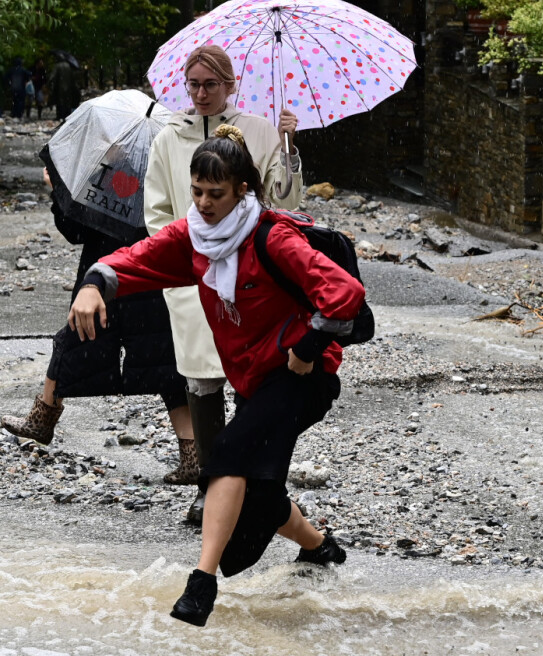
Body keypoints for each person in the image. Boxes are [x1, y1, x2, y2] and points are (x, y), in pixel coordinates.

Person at [69, 124, 361, 627]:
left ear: (242, 190)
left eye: (216, 194)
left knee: (226, 453)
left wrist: (308, 347)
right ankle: (320, 548)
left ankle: (200, 585)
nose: (203, 203)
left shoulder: (273, 236)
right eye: (197, 191)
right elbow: (137, 259)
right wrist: (94, 283)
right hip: (253, 379)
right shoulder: (194, 238)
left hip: (301, 376)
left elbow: (345, 294)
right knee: (261, 491)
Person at [144, 44, 304, 522]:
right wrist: (181, 256)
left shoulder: (260, 129)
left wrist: (288, 148)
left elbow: (284, 201)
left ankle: (251, 481)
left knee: (252, 375)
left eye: (210, 84)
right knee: (201, 378)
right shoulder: (168, 137)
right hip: (193, 276)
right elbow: (156, 211)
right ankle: (210, 485)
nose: (200, 93)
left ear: (230, 85)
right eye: (193, 84)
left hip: (251, 276)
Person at [2, 167, 194, 486]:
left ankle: (43, 419)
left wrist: (60, 190)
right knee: (163, 360)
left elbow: (75, 231)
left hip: (112, 276)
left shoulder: (106, 174)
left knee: (75, 340)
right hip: (144, 276)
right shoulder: (152, 170)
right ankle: (192, 453)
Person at [47, 54, 79, 121]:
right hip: (69, 87)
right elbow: (73, 78)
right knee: (67, 102)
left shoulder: (57, 66)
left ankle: (60, 116)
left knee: (60, 102)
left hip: (59, 87)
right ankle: (67, 115)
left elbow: (52, 77)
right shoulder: (69, 66)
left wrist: (49, 84)